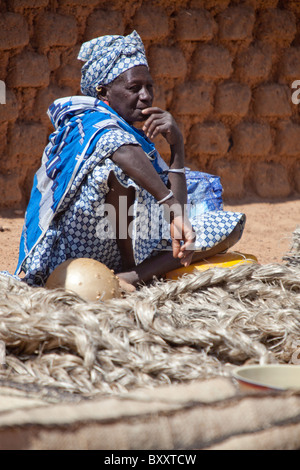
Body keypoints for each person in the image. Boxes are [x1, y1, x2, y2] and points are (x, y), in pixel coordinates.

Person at [15, 31, 246, 291]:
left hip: (134, 248)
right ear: (104, 92)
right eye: (134, 88)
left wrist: (177, 146)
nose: (146, 96)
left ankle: (131, 276)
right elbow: (120, 149)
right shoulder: (89, 121)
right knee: (114, 170)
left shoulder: (134, 138)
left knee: (229, 226)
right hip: (76, 252)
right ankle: (134, 269)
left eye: (149, 87)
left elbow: (178, 208)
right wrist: (171, 206)